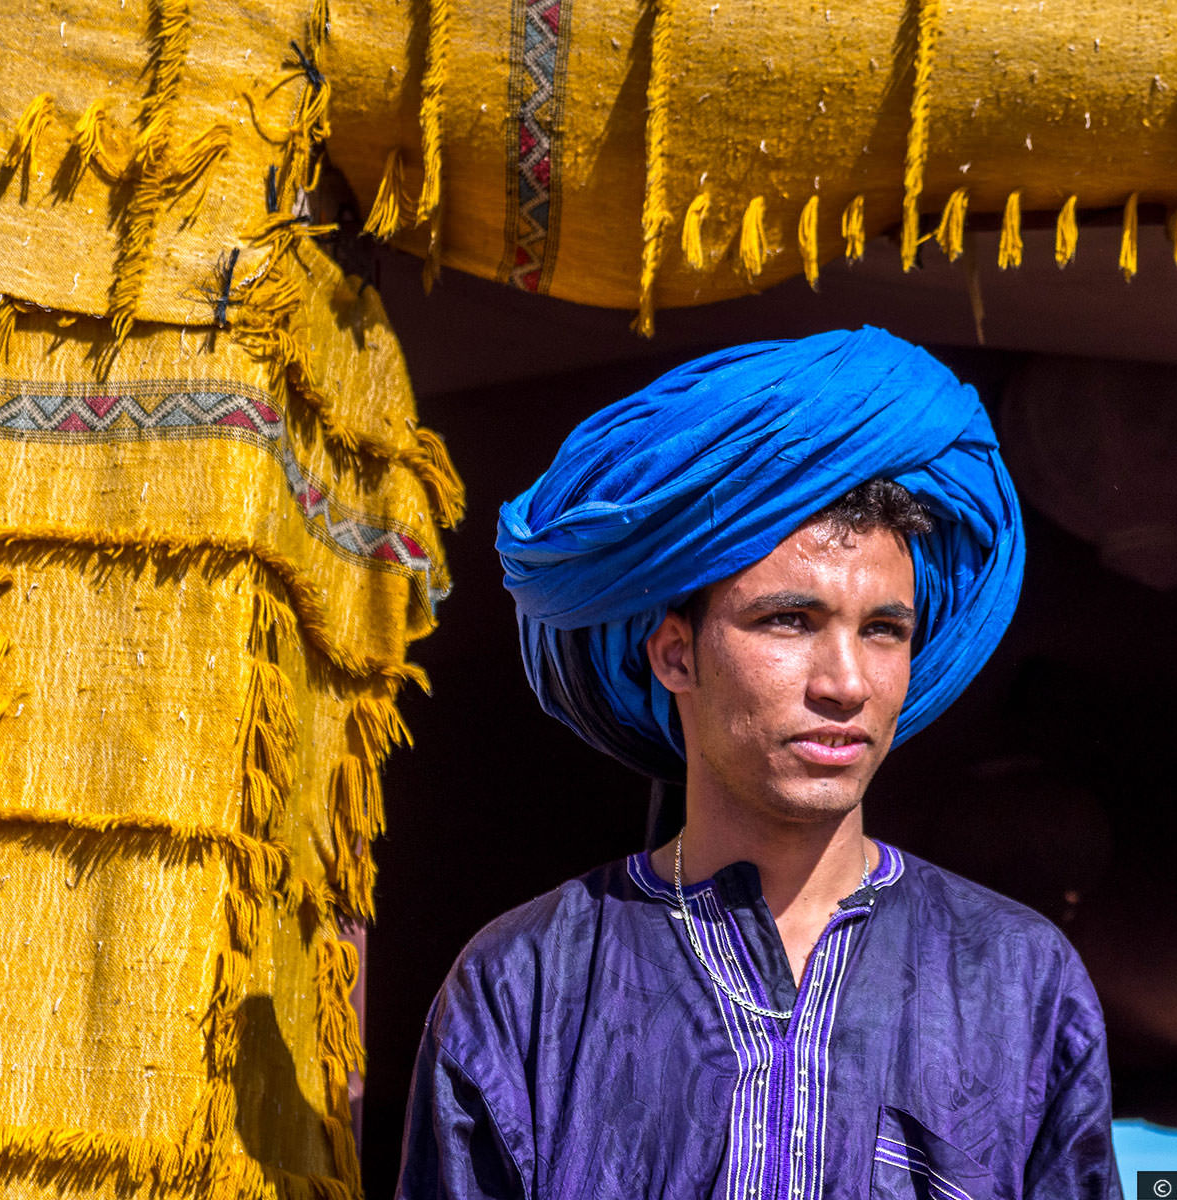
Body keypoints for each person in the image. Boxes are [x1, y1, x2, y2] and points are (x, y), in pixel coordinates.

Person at [396, 327, 1121, 1200]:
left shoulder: (1018, 980)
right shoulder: (529, 984)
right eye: (789, 621)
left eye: (883, 630)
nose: (847, 683)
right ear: (675, 656)